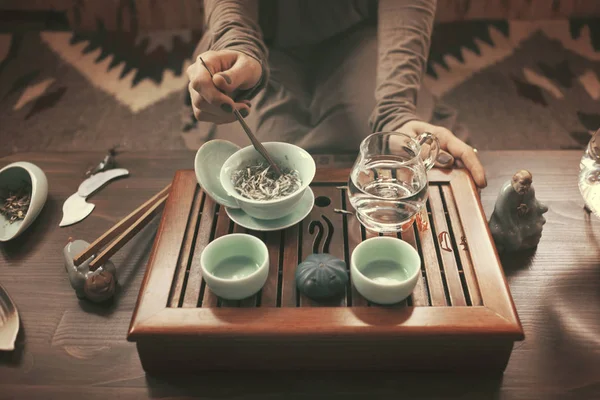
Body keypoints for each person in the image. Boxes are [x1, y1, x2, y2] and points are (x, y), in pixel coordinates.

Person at [185, 0, 487, 188]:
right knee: (268, 162)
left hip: (360, 32)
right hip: (259, 41)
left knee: (386, 147)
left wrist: (396, 109)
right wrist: (237, 46)